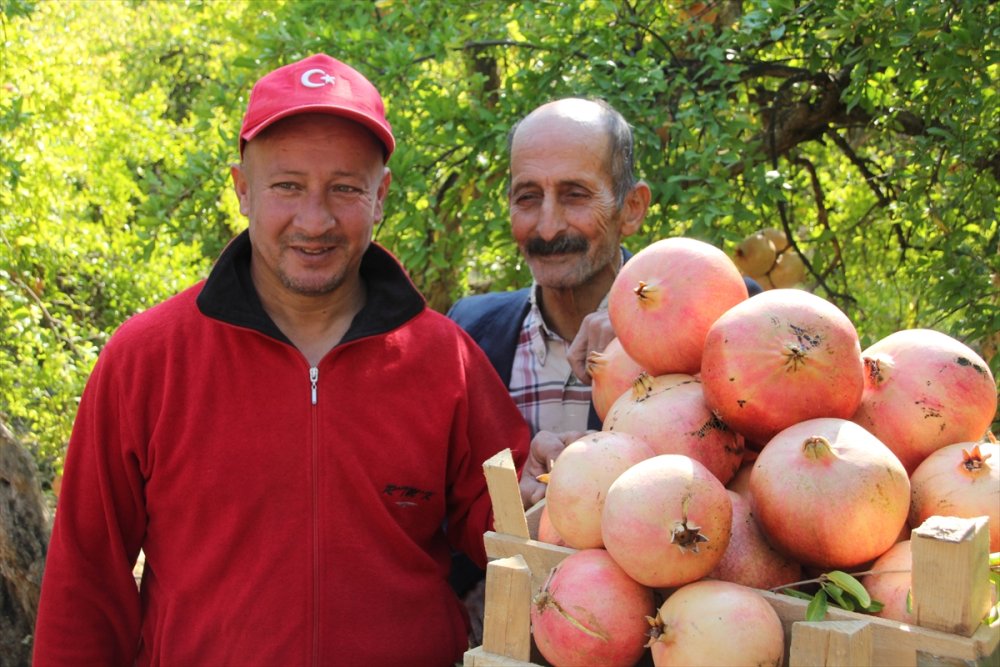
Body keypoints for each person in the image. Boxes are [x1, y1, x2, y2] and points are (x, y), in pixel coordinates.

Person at [32, 53, 537, 667]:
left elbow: (515, 533)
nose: (315, 220)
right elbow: (84, 585)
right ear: (243, 189)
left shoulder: (444, 360)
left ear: (380, 197)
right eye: (287, 186)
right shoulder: (146, 360)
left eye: (345, 188)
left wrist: (561, 486)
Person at [446, 98, 761, 633]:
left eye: (574, 195)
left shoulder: (727, 323)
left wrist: (659, 346)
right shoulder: (469, 334)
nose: (548, 226)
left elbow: (772, 482)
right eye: (528, 197)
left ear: (632, 207)